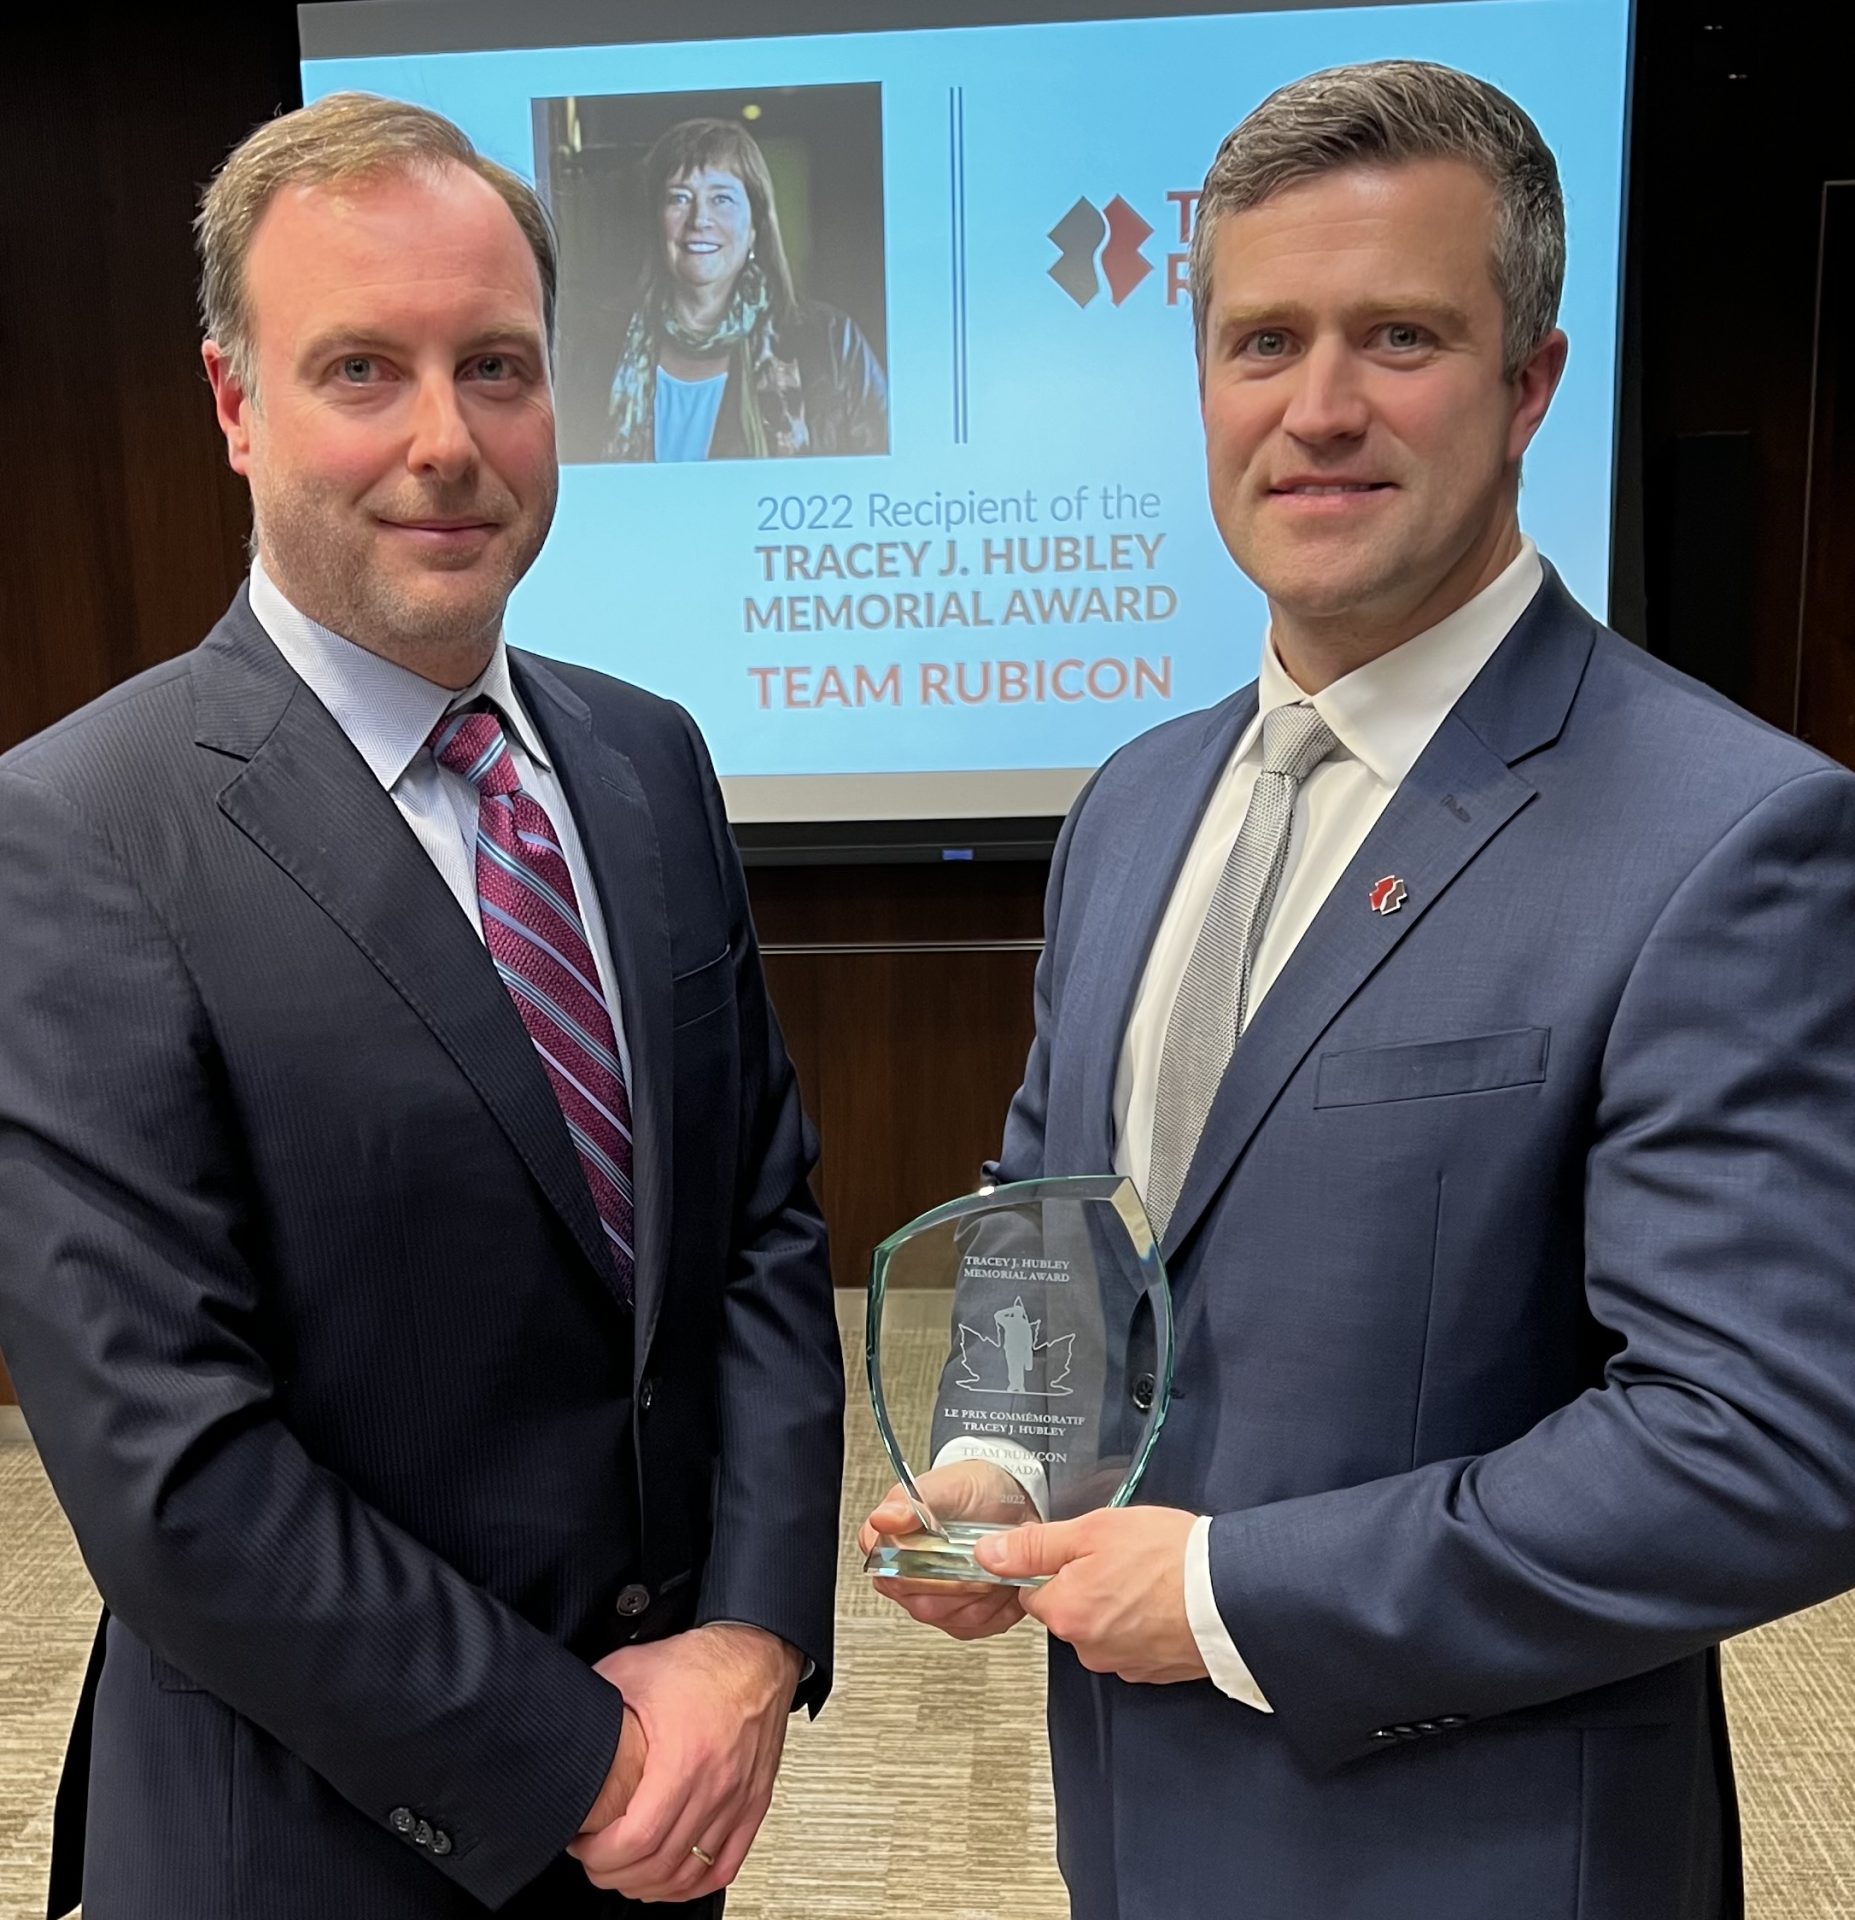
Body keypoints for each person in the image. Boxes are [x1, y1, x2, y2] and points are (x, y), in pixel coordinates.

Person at [862, 58, 1855, 1919]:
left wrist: (1239, 1593)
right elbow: (1059, 1211)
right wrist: (999, 1460)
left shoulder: (1732, 837)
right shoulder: (1134, 800)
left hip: (1470, 1855)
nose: (1317, 410)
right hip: (1134, 1829)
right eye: (1263, 342)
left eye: (1398, 337)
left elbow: (1771, 1447)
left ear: (1530, 384)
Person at [0, 91, 843, 1920]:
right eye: (363, 371)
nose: (446, 443)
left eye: (500, 368)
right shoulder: (74, 833)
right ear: (238, 408)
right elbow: (173, 1469)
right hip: (314, 1841)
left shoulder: (646, 758)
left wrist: (752, 1640)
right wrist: (580, 1756)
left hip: (671, 1813)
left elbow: (761, 1224)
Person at [603, 117, 888, 462]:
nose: (699, 220)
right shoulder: (598, 347)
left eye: (721, 199)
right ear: (655, 222)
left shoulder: (832, 342)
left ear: (755, 227)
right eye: (679, 198)